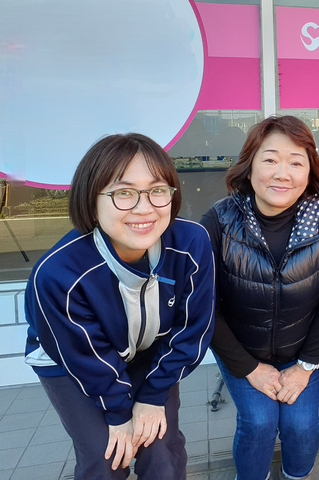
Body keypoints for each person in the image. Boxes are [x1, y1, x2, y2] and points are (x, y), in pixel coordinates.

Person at [24, 133, 215, 479]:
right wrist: (118, 412)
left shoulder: (191, 243)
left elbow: (192, 331)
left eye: (157, 190)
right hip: (72, 360)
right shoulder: (59, 274)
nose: (144, 208)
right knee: (107, 455)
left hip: (148, 351)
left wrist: (152, 397)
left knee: (161, 450)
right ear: (91, 200)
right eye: (123, 193)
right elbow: (84, 355)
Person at [200, 115, 319, 480]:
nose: (282, 174)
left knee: (302, 427)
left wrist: (306, 365)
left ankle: (297, 476)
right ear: (249, 165)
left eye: (296, 162)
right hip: (241, 350)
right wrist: (249, 368)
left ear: (309, 171)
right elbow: (205, 306)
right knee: (259, 421)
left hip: (301, 353)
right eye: (270, 160)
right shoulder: (219, 221)